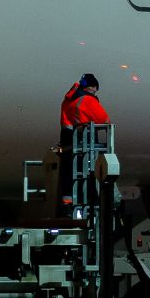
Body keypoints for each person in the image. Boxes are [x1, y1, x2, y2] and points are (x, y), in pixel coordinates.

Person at [55, 73, 109, 208]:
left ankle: (68, 199)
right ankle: (91, 199)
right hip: (83, 138)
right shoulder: (87, 100)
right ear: (92, 87)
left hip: (67, 137)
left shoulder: (68, 99)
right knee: (88, 170)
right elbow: (105, 120)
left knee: (69, 169)